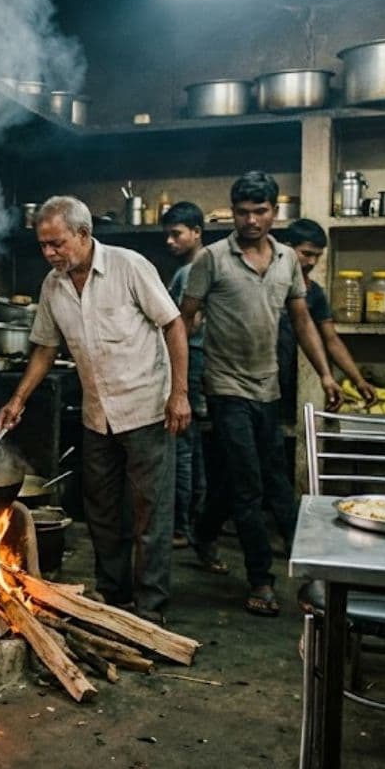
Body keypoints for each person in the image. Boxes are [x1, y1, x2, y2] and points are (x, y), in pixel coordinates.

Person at [0, 195, 190, 624]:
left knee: (150, 514)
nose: (49, 254)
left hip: (146, 410)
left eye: (57, 244)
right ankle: (113, 594)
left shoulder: (129, 266)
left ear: (84, 235)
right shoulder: (53, 285)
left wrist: (180, 393)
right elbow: (46, 346)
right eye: (43, 246)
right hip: (97, 415)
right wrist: (18, 399)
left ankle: (151, 608)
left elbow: (173, 324)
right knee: (101, 510)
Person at [179, 172, 341, 618]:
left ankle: (204, 530)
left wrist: (326, 375)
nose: (251, 220)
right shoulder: (211, 259)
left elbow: (303, 321)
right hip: (225, 386)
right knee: (251, 486)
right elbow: (184, 319)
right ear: (232, 212)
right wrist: (176, 381)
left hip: (268, 387)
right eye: (242, 211)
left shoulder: (288, 259)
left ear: (274, 212)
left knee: (263, 479)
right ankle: (262, 579)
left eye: (260, 211)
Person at [277, 218, 376, 417]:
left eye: (318, 256)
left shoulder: (314, 292)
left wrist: (358, 380)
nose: (312, 262)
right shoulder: (266, 283)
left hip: (283, 378)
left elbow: (331, 339)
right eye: (306, 254)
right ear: (287, 248)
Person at [163, 202, 207, 550]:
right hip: (208, 364)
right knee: (195, 447)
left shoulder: (188, 273)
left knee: (182, 446)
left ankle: (180, 527)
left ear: (196, 232)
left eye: (176, 233)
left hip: (190, 363)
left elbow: (178, 327)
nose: (170, 241)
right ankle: (195, 521)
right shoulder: (214, 265)